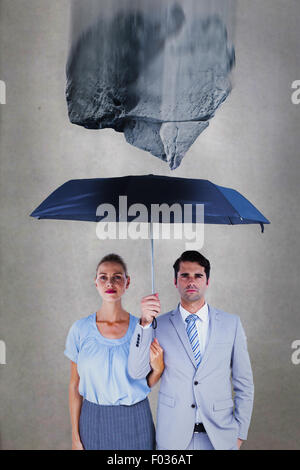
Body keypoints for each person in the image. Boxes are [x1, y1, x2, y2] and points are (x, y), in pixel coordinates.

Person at [128, 250, 254, 450]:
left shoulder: (231, 324)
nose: (191, 281)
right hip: (173, 438)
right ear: (175, 281)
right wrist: (144, 322)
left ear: (207, 281)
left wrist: (239, 434)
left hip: (220, 437)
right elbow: (135, 372)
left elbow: (244, 383)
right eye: (184, 275)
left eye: (198, 275)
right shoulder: (157, 325)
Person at [64, 253, 164, 450]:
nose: (110, 282)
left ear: (127, 282)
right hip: (93, 420)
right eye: (103, 277)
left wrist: (159, 370)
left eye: (117, 277)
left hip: (135, 419)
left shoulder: (143, 328)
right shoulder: (80, 330)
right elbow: (75, 386)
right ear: (96, 283)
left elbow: (141, 382)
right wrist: (75, 437)